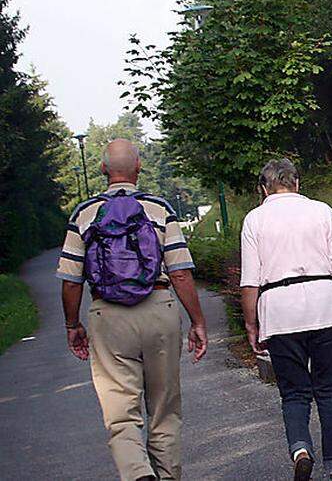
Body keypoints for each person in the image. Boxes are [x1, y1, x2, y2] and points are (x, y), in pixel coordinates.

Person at [57, 139, 208, 481]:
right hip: (158, 308)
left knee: (120, 413)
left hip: (107, 316)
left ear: (102, 170)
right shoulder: (159, 209)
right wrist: (197, 321)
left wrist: (72, 325)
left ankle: (138, 473)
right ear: (139, 168)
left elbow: (70, 280)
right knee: (164, 410)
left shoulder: (84, 213)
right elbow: (180, 272)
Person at [240, 158, 332, 481]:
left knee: (294, 392)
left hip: (280, 312)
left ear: (263, 189)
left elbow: (250, 282)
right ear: (297, 183)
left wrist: (251, 325)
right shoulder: (321, 211)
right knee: (328, 391)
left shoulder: (255, 220)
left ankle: (300, 448)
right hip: (323, 307)